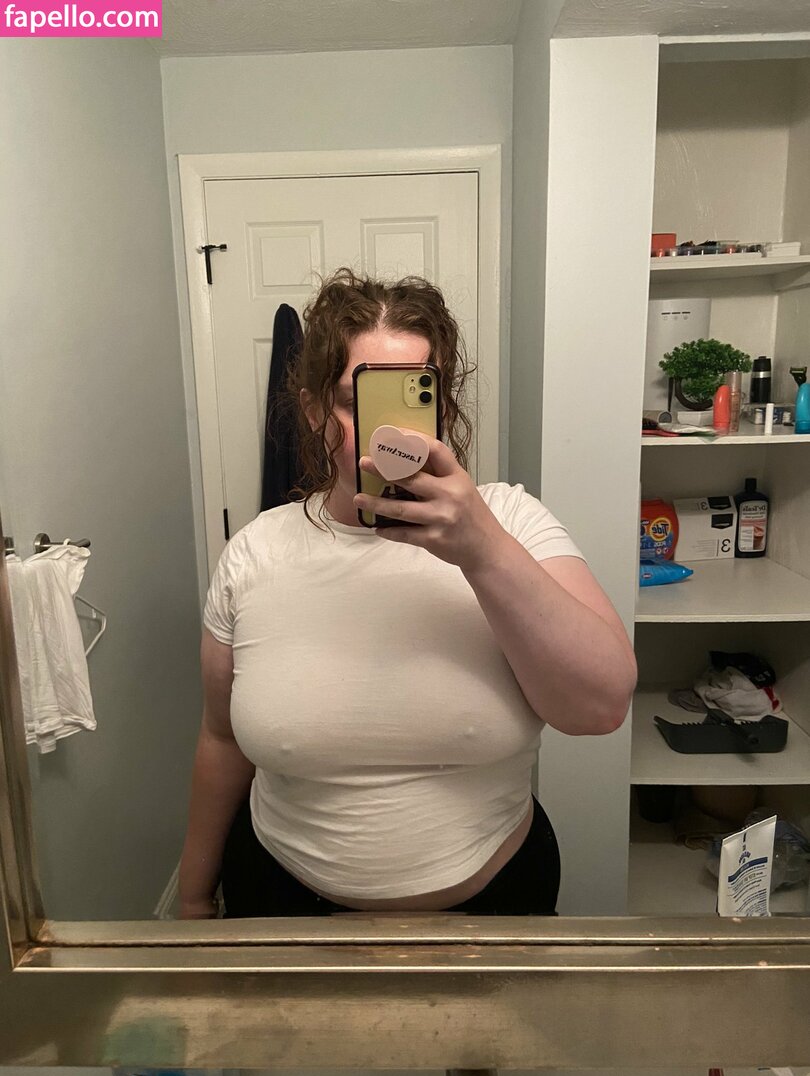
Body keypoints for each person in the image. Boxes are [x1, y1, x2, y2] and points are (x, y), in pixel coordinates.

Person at [178, 269, 637, 919]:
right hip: (282, 901)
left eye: (412, 398)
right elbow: (221, 740)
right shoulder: (254, 553)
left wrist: (483, 550)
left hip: (492, 904)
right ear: (313, 409)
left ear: (442, 407)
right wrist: (193, 895)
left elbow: (601, 707)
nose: (384, 435)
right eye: (355, 402)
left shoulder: (512, 523)